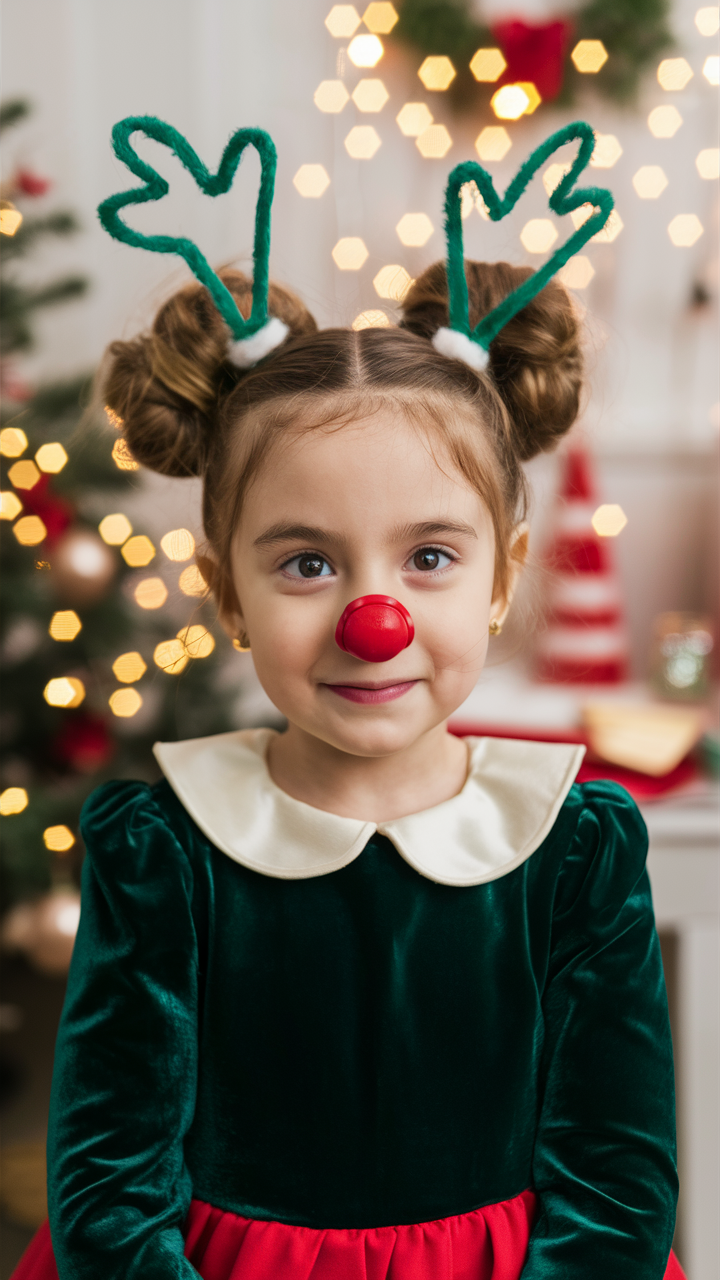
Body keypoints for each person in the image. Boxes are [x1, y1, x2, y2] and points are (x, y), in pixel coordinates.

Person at [11, 119, 684, 1279]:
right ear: (227, 590)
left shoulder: (575, 846)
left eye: (429, 556)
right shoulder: (165, 849)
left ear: (502, 578)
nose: (373, 619)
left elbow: (615, 1172)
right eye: (307, 563)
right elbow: (113, 1176)